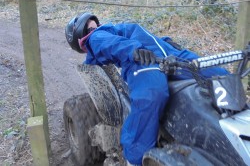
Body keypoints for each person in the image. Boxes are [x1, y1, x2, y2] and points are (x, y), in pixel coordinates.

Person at [65, 12, 228, 166]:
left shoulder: (113, 29)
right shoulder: (95, 37)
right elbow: (111, 44)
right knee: (151, 94)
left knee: (220, 75)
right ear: (82, 34)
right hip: (142, 60)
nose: (94, 26)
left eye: (93, 23)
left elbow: (149, 37)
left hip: (170, 54)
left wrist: (167, 41)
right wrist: (133, 50)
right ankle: (134, 155)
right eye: (89, 26)